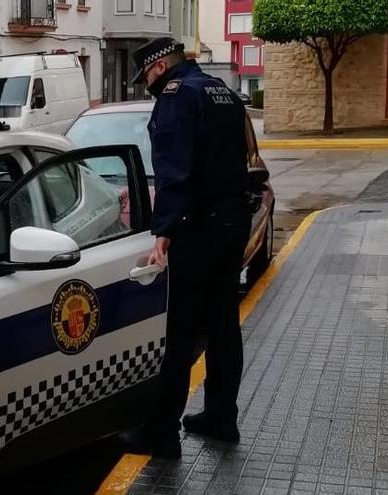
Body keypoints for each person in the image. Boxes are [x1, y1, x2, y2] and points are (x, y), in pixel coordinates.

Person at [132, 38, 252, 458]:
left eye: (146, 75)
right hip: (234, 219)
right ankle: (221, 417)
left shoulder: (176, 95)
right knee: (222, 323)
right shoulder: (224, 92)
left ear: (160, 66)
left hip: (197, 226)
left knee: (180, 329)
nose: (146, 83)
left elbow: (174, 168)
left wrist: (163, 228)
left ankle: (162, 432)